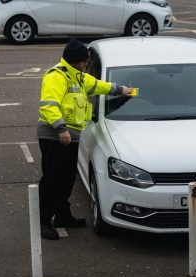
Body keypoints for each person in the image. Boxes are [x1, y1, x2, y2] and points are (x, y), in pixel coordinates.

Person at [37, 38, 133, 240]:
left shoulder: (78, 77)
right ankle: (44, 221)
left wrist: (122, 90)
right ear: (75, 61)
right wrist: (61, 129)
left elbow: (98, 85)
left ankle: (63, 216)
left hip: (70, 138)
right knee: (51, 180)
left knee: (66, 180)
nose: (86, 64)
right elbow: (48, 105)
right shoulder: (57, 76)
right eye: (84, 61)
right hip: (54, 137)